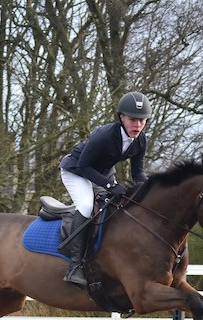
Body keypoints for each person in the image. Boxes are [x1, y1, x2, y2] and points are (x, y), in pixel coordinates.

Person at [58, 91, 152, 286]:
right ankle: (75, 267)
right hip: (76, 170)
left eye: (142, 121)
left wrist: (151, 188)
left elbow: (138, 173)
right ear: (121, 117)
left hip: (102, 172)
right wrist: (110, 185)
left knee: (118, 205)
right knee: (86, 205)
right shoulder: (104, 135)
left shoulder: (140, 140)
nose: (138, 125)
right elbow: (83, 166)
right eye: (133, 119)